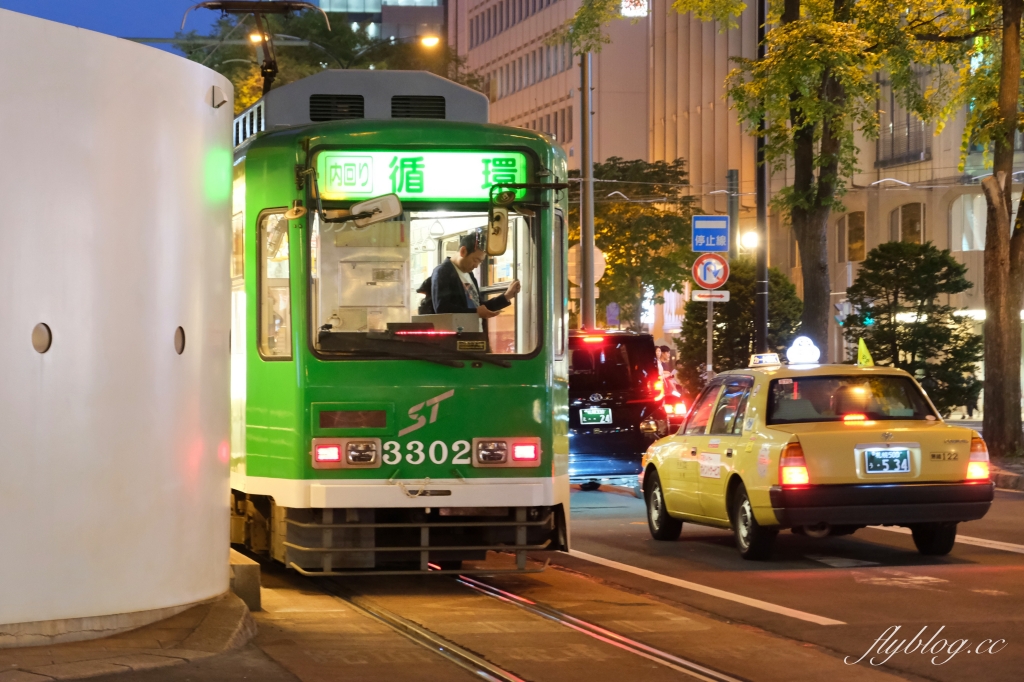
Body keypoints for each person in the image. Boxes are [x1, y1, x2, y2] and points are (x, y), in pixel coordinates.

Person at [431, 230, 520, 319]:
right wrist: (475, 312)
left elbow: (480, 307)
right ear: (463, 251)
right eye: (475, 260)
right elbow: (442, 308)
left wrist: (506, 296)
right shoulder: (443, 272)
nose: (476, 265)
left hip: (475, 330)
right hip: (460, 331)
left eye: (480, 262)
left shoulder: (470, 275)